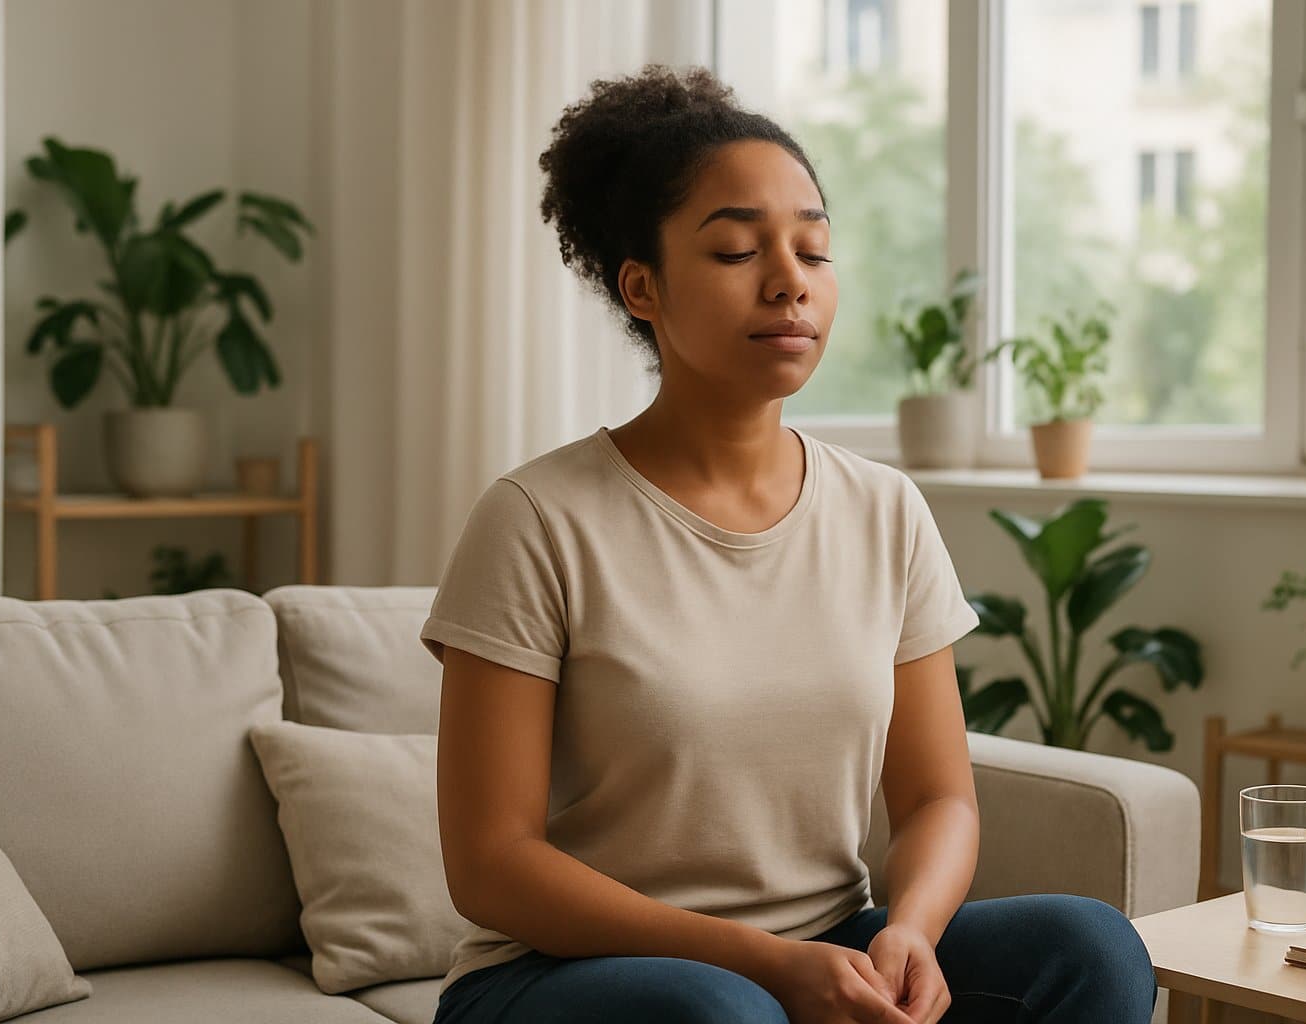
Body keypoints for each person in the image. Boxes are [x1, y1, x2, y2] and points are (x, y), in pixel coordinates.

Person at [420, 63, 1158, 1024]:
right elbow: (490, 865)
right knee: (722, 1014)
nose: (789, 283)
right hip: (564, 974)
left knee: (1090, 949)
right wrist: (762, 965)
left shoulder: (884, 511)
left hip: (819, 950)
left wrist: (912, 933)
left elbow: (940, 799)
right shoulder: (537, 520)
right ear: (642, 287)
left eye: (813, 250)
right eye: (735, 253)